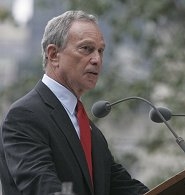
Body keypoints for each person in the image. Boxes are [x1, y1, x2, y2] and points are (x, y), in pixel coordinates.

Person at [0, 10, 149, 195]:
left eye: (100, 51)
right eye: (86, 49)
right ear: (54, 54)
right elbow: (43, 187)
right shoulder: (24, 116)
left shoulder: (90, 130)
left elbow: (124, 187)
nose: (97, 60)